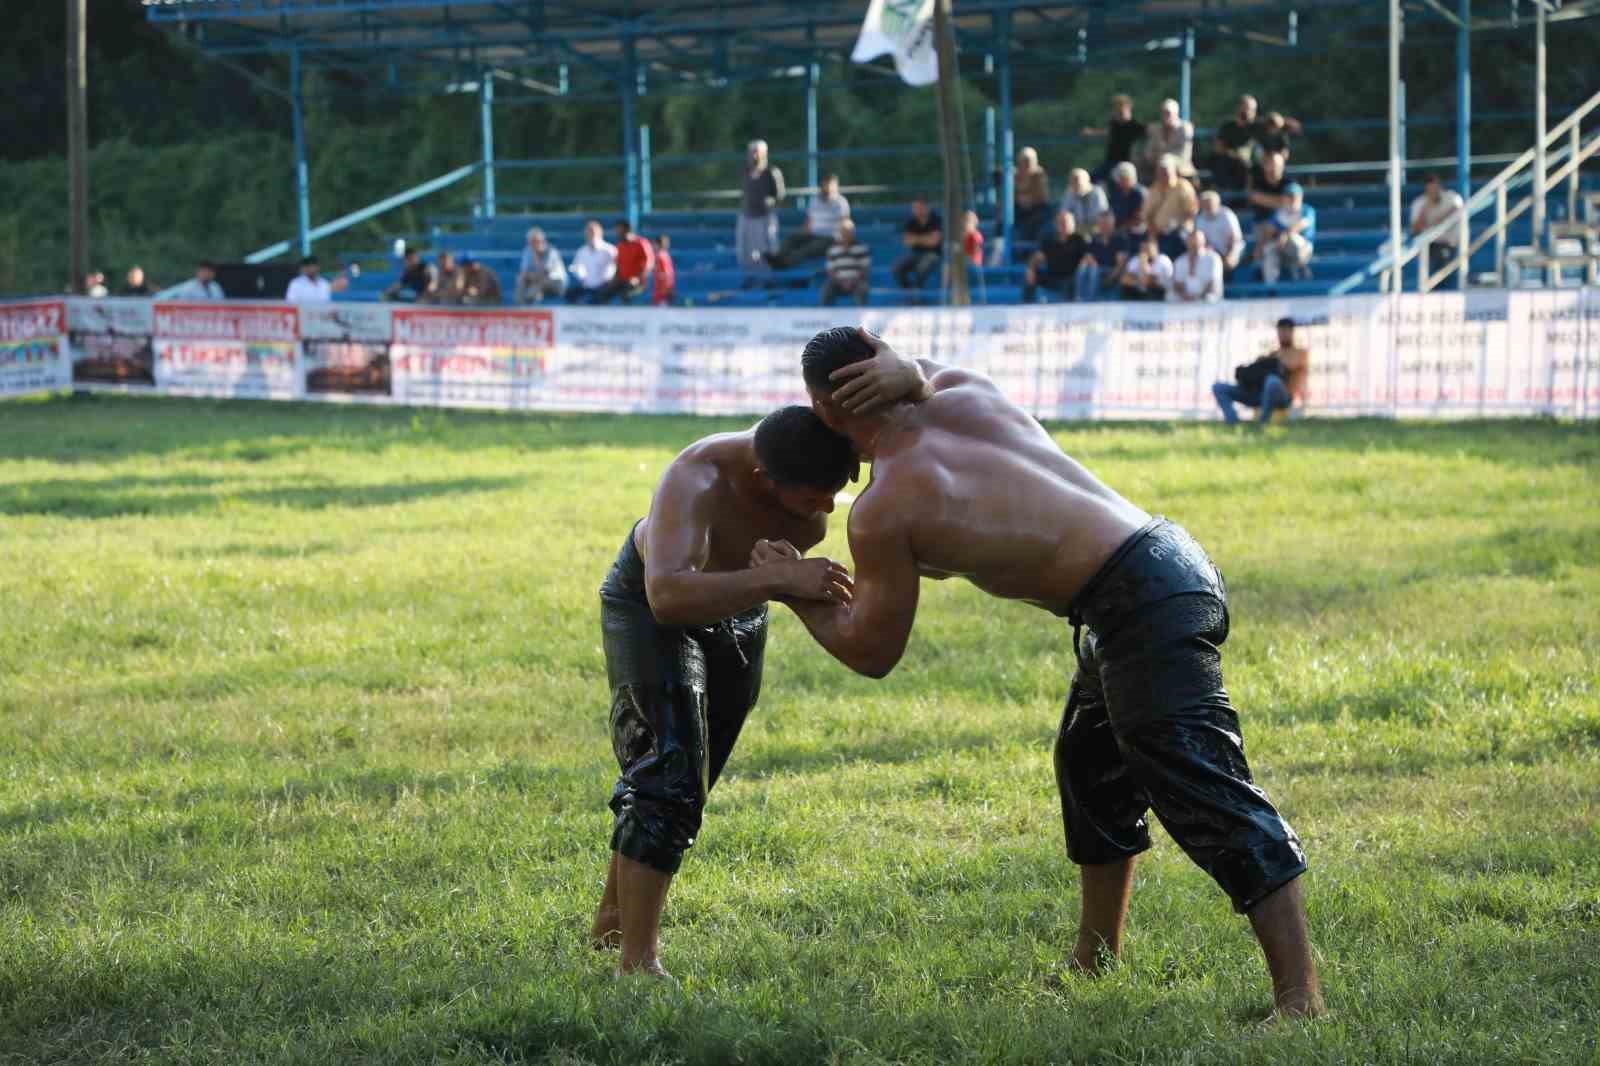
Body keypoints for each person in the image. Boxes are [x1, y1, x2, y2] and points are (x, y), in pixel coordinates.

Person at [765, 327, 1324, 1020]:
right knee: (1090, 769)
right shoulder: (965, 394)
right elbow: (926, 374)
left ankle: (1302, 1000)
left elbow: (872, 653)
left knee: (1203, 785)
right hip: (1158, 564)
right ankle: (1095, 963)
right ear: (885, 358)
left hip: (1137, 602)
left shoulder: (885, 507)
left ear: (824, 411)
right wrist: (907, 366)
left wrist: (791, 589)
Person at [589, 406, 859, 978]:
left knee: (688, 776)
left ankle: (613, 920)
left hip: (738, 610)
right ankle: (638, 964)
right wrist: (776, 579)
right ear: (765, 479)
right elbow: (668, 595)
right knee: (670, 777)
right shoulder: (696, 478)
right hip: (651, 606)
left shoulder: (802, 455)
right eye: (815, 496)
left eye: (834, 493)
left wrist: (781, 581)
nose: (827, 511)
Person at [1213, 317, 1309, 424]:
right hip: (1259, 394)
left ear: (1292, 332)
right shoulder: (1273, 353)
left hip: (1283, 397)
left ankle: (1263, 422)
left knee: (1272, 381)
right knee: (1218, 387)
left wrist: (1273, 363)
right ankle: (1233, 422)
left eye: (1286, 330)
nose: (1283, 334)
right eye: (1281, 330)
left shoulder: (1300, 353)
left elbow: (1291, 366)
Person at [766, 174, 849, 270]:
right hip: (813, 235)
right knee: (792, 239)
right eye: (824, 186)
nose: (827, 189)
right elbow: (808, 223)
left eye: (830, 186)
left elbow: (845, 223)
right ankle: (776, 258)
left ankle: (784, 264)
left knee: (808, 248)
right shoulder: (814, 202)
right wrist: (801, 234)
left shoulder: (841, 202)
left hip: (830, 239)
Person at [737, 139, 785, 277]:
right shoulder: (745, 172)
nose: (754, 156)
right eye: (751, 152)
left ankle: (769, 278)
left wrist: (770, 202)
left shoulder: (772, 172)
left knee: (767, 250)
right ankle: (749, 277)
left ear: (764, 153)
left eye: (756, 152)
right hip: (746, 216)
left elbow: (780, 195)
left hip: (764, 217)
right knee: (744, 250)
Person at [1023, 210, 1088, 303]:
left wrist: (1082, 266)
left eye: (1066, 222)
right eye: (1061, 222)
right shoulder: (1050, 239)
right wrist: (1031, 269)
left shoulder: (1079, 240)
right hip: (1052, 276)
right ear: (1056, 224)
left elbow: (1086, 258)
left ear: (1073, 224)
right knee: (1029, 276)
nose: (1064, 225)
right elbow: (1036, 258)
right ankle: (1026, 306)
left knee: (1075, 281)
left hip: (1071, 277)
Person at [1260, 183, 1317, 285]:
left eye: (1294, 196)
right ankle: (1271, 288)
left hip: (1303, 248)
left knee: (1292, 239)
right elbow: (1269, 229)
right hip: (1282, 248)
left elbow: (1302, 224)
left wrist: (1285, 234)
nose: (1292, 199)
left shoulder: (1307, 210)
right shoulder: (1280, 212)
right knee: (1269, 250)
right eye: (1289, 196)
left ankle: (1302, 269)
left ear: (1300, 197)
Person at [1145, 155, 1199, 259]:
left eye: (1166, 170)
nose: (1163, 173)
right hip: (1159, 234)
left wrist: (1179, 226)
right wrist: (1153, 231)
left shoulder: (1183, 186)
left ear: (1173, 171)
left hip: (1180, 233)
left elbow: (1192, 210)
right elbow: (1147, 214)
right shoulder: (1153, 189)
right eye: (1160, 170)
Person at [1081, 94, 1144, 182]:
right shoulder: (1115, 123)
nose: (1116, 113)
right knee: (1088, 179)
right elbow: (1107, 132)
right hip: (1110, 163)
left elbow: (1148, 132)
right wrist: (1092, 132)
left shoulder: (1135, 126)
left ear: (1127, 109)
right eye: (1115, 110)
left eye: (1119, 110)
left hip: (1125, 164)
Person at [1247, 151, 1292, 274]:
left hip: (1284, 227)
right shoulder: (1258, 180)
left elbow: (1290, 204)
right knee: (1267, 250)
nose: (1273, 168)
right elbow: (1254, 197)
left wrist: (1265, 199)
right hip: (1262, 225)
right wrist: (1279, 201)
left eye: (1277, 165)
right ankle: (1268, 287)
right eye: (1270, 164)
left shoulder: (1288, 181)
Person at [592, 221, 655, 305]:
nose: (617, 234)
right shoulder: (620, 246)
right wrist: (613, 280)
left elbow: (649, 264)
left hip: (639, 283)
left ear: (627, 230)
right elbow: (619, 266)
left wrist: (639, 279)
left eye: (619, 231)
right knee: (602, 294)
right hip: (623, 281)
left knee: (626, 294)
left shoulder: (641, 243)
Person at [1410, 173, 1467, 264]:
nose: (1433, 191)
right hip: (1428, 244)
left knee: (1442, 255)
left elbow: (1458, 211)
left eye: (1435, 187)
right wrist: (1425, 209)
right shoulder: (1419, 203)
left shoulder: (1452, 197)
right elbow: (1415, 231)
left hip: (1448, 242)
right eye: (1430, 188)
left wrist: (1440, 220)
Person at [892, 195, 943, 294]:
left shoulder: (936, 219)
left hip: (934, 254)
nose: (916, 210)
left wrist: (916, 239)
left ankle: (917, 291)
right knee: (896, 269)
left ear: (926, 207)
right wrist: (926, 238)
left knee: (922, 267)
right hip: (916, 254)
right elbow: (907, 241)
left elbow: (934, 242)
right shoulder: (911, 221)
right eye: (914, 208)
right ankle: (909, 292)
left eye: (919, 208)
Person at [1212, 95, 1262, 192]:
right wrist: (1234, 154)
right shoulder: (1227, 126)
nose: (1248, 112)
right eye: (1245, 109)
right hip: (1230, 164)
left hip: (1252, 165)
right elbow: (1218, 147)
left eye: (1252, 110)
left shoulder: (1258, 127)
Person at [1075, 212, 1127, 303]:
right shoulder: (1095, 239)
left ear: (1112, 224)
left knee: (1094, 271)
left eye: (1106, 224)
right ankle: (1079, 298)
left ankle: (1090, 301)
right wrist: (1092, 262)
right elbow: (1088, 256)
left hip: (1111, 270)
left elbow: (1120, 264)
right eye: (1101, 224)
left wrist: (1111, 278)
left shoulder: (1120, 239)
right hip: (1095, 269)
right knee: (1083, 268)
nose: (1103, 226)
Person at [1195, 191, 1245, 282]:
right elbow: (1202, 241)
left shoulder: (1227, 215)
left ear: (1217, 204)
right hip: (1213, 251)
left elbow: (1234, 239)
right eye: (1204, 205)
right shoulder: (1200, 219)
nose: (1207, 207)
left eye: (1209, 204)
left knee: (1229, 262)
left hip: (1233, 248)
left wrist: (1230, 255)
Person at [1142, 99, 1196, 181]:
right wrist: (1153, 159)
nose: (1165, 115)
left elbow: (1184, 155)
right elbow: (1149, 151)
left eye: (1168, 113)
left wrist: (1165, 159)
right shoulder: (1156, 129)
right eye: (1163, 113)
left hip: (1181, 166)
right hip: (1157, 165)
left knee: (1166, 163)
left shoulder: (1185, 128)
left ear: (1176, 114)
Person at [567, 220, 618, 304]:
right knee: (569, 294)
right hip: (587, 286)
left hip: (604, 286)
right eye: (588, 232)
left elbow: (616, 267)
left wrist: (608, 281)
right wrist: (581, 277)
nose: (590, 235)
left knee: (598, 298)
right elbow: (575, 267)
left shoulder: (610, 250)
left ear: (600, 233)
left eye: (593, 232)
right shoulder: (582, 251)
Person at [822, 220, 871, 307]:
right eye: (843, 232)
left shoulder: (862, 248)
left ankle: (859, 315)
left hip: (857, 281)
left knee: (862, 289)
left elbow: (865, 269)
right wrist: (842, 282)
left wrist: (852, 281)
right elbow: (830, 270)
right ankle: (826, 316)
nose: (846, 234)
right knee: (826, 288)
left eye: (848, 232)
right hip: (838, 281)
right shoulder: (832, 249)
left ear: (853, 233)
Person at [1168, 229, 1225, 302]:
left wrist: (1198, 297)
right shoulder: (1180, 260)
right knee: (1170, 296)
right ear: (1187, 243)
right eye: (1191, 241)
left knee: (1209, 298)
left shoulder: (1213, 258)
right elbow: (1177, 283)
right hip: (1185, 298)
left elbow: (1212, 283)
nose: (1194, 243)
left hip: (1206, 297)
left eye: (1197, 240)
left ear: (1203, 241)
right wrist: (1185, 295)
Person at [515, 228, 568, 305]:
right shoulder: (528, 251)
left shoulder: (551, 252)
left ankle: (528, 300)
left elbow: (543, 274)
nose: (533, 245)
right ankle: (519, 307)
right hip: (537, 281)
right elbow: (523, 272)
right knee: (521, 280)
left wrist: (536, 257)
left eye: (535, 241)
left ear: (543, 241)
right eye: (531, 242)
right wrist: (529, 275)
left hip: (556, 283)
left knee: (535, 289)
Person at [1014, 147, 1052, 243]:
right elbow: (1012, 197)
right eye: (1024, 161)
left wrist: (1024, 197)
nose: (1027, 164)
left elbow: (1041, 197)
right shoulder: (1014, 175)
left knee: (1038, 219)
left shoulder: (1040, 175)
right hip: (1020, 209)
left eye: (1029, 161)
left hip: (1036, 209)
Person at [1118, 234, 1171, 302]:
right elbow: (1125, 279)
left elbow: (1147, 282)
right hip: (1140, 292)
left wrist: (1143, 263)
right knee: (1125, 289)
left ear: (1155, 247)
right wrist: (1138, 281)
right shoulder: (1136, 259)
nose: (1144, 252)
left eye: (1147, 248)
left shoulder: (1163, 260)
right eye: (1142, 248)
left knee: (1151, 289)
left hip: (1159, 294)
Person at [1061, 168, 1110, 236]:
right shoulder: (1070, 193)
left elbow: (1102, 215)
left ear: (1087, 181)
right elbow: (1064, 213)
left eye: (1078, 182)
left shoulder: (1097, 193)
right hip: (1076, 231)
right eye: (1073, 183)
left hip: (1096, 231)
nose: (1075, 186)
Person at [1105, 162, 1147, 236]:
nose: (1121, 180)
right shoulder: (1117, 192)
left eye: (1124, 177)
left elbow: (1139, 219)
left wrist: (1119, 229)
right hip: (1118, 231)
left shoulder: (1140, 194)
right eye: (1120, 177)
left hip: (1137, 233)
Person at [652, 234, 676, 307]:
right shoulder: (666, 255)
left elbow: (664, 274)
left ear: (657, 244)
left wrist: (665, 289)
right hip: (667, 288)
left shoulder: (659, 256)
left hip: (662, 290)